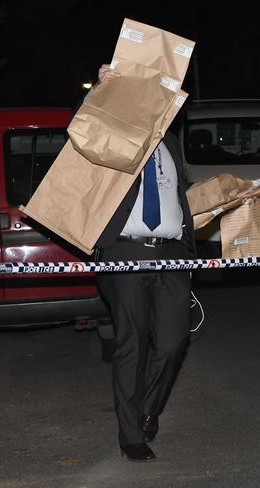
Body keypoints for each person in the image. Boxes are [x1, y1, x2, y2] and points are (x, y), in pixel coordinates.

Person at [93, 64, 196, 462]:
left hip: (171, 254)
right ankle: (131, 435)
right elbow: (81, 135)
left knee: (173, 342)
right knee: (131, 345)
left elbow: (179, 197)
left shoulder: (170, 141)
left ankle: (148, 408)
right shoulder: (114, 138)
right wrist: (101, 94)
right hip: (125, 252)